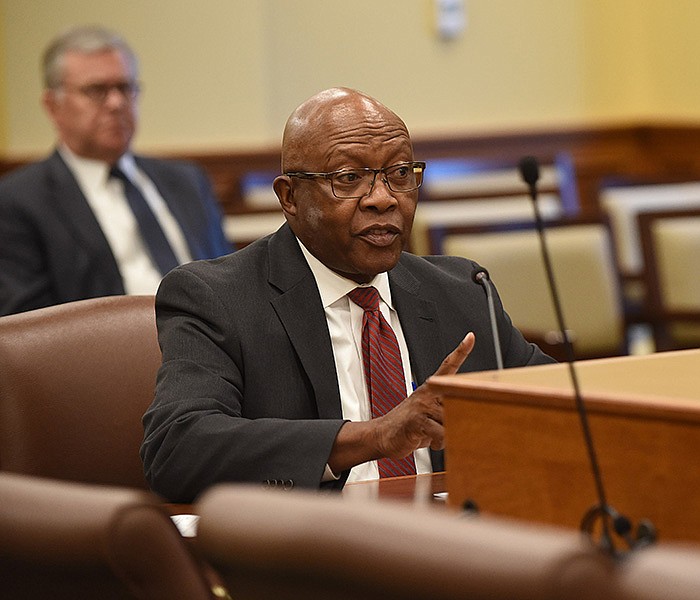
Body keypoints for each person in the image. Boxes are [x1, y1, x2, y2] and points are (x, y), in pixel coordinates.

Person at [141, 87, 554, 503]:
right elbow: (177, 449)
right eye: (349, 178)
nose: (383, 199)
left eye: (400, 174)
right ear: (289, 197)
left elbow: (561, 404)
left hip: (454, 539)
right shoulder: (217, 298)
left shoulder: (460, 290)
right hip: (316, 549)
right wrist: (375, 435)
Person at [0, 25, 231, 316]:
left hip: (217, 349)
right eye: (96, 90)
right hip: (111, 355)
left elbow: (231, 282)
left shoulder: (187, 180)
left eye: (125, 87)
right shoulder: (17, 203)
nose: (116, 103)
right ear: (52, 106)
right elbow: (29, 328)